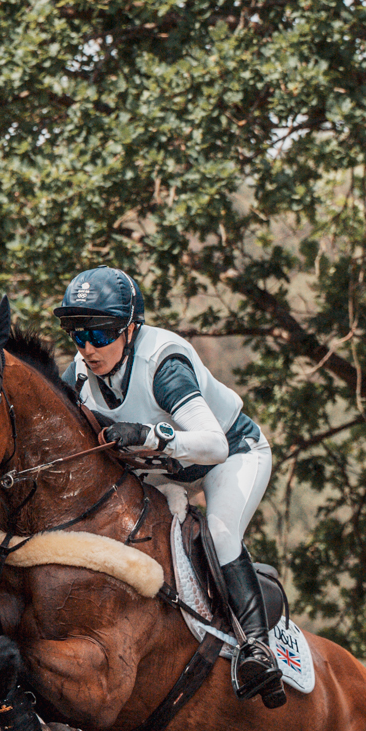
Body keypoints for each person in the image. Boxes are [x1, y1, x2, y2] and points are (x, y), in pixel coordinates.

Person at [53, 266, 284, 705]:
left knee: (220, 531)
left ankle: (257, 648)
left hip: (232, 455)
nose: (87, 348)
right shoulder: (79, 374)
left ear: (131, 329)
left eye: (100, 334)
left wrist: (151, 435)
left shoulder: (163, 365)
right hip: (164, 471)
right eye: (78, 335)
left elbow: (214, 445)